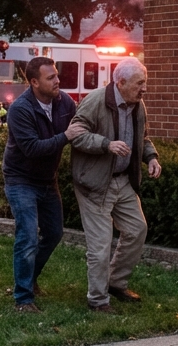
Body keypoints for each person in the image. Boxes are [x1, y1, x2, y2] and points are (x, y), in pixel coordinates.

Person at [68, 58, 161, 314]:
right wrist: (106, 144)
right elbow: (75, 133)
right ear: (121, 82)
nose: (144, 89)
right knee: (100, 245)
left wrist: (151, 158)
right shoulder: (96, 100)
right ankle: (97, 300)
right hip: (95, 183)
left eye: (145, 83)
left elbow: (143, 137)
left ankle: (116, 283)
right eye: (140, 83)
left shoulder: (138, 105)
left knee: (137, 229)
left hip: (123, 182)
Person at [1, 57, 81, 313]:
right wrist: (65, 137)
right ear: (34, 82)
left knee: (54, 233)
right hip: (21, 179)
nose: (57, 81)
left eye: (56, 75)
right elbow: (32, 148)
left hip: (48, 180)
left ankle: (29, 278)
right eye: (50, 78)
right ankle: (23, 299)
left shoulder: (65, 102)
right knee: (27, 237)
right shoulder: (21, 109)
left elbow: (83, 124)